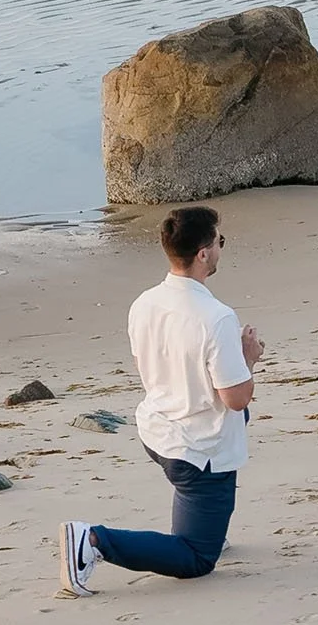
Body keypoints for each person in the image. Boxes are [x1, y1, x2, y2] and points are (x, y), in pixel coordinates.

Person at [58, 203, 261, 595]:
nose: (221, 247)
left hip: (157, 431)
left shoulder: (144, 303)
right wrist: (247, 360)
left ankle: (207, 529)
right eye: (220, 241)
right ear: (203, 253)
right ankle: (93, 540)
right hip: (199, 450)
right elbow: (236, 399)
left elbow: (147, 363)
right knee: (197, 559)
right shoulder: (216, 317)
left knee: (227, 435)